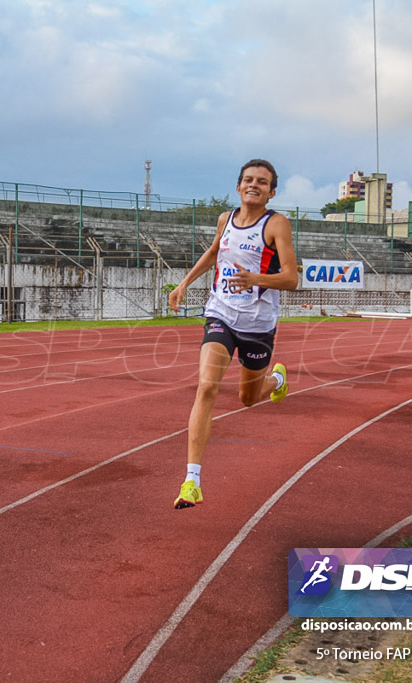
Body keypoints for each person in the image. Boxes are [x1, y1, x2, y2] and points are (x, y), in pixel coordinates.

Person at [167, 159, 298, 509]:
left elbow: (291, 279)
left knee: (247, 399)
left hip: (258, 324)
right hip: (220, 313)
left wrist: (256, 279)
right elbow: (214, 253)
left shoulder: (276, 224)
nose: (254, 185)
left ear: (271, 191)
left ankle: (276, 382)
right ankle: (192, 480)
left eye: (262, 181)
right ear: (238, 186)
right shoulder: (225, 220)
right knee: (207, 386)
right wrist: (184, 284)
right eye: (248, 179)